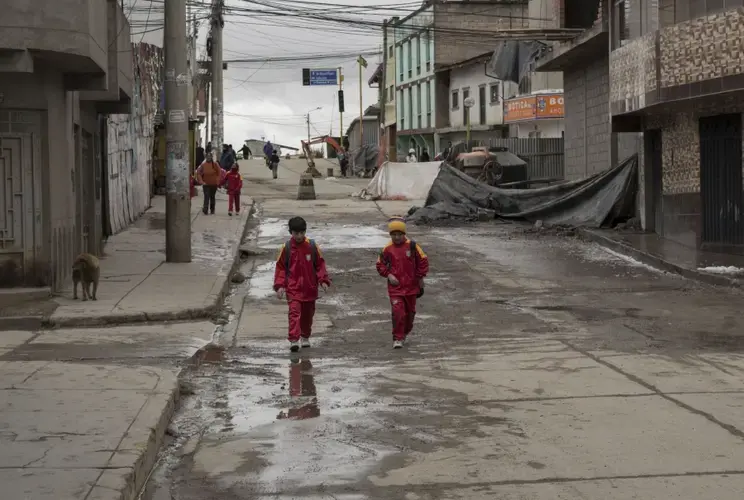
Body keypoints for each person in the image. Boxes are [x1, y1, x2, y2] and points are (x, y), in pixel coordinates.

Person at [273, 217, 331, 352]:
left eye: (301, 233)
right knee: (294, 312)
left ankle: (305, 336)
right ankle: (294, 339)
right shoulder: (286, 248)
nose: (299, 236)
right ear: (290, 232)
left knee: (307, 315)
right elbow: (280, 268)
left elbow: (319, 265)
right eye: (296, 233)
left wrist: (323, 280)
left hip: (310, 289)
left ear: (305, 231)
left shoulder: (312, 246)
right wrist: (280, 285)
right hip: (293, 288)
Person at [376, 216, 429, 349]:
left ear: (404, 234)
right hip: (396, 288)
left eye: (399, 234)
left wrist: (420, 278)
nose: (397, 237)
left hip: (411, 287)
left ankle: (405, 332)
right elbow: (380, 265)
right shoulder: (387, 249)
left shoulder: (413, 246)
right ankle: (398, 338)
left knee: (410, 314)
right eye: (394, 234)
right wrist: (389, 275)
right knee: (398, 313)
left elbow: (423, 261)